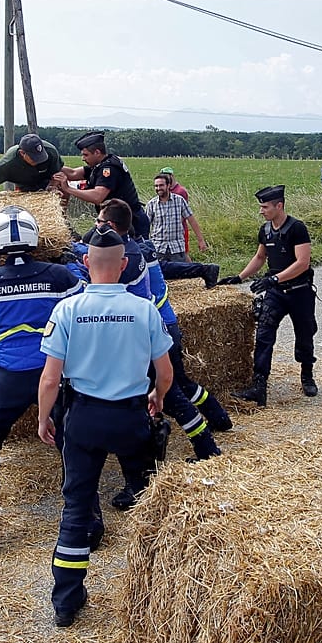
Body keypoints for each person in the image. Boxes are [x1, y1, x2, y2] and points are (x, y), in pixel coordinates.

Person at [37, 228, 173, 628]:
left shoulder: (67, 310)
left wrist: (45, 417)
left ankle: (66, 599)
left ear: (85, 264)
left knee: (77, 507)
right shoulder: (144, 309)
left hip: (84, 417)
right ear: (124, 265)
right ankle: (154, 590)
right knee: (149, 504)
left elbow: (49, 379)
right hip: (131, 416)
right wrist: (157, 397)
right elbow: (164, 372)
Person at [0, 207, 84, 547]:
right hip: (54, 370)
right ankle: (87, 519)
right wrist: (70, 263)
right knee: (70, 439)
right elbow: (84, 298)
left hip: (9, 374)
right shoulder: (58, 275)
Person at [78, 198, 225, 511]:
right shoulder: (137, 248)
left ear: (112, 226)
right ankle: (208, 442)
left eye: (102, 222)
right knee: (173, 392)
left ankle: (148, 475)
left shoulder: (127, 255)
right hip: (151, 331)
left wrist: (74, 258)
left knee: (167, 394)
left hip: (144, 336)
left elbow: (97, 268)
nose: (98, 226)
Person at [221, 185, 317, 406]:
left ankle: (307, 375)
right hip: (275, 293)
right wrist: (239, 277)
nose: (261, 211)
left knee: (305, 334)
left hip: (299, 292)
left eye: (264, 207)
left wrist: (274, 279)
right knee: (263, 335)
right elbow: (260, 258)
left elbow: (303, 263)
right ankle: (259, 385)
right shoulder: (265, 230)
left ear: (279, 206)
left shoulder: (297, 228)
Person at [53, 130, 149, 238]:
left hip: (129, 223)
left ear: (97, 152)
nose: (83, 158)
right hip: (113, 219)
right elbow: (73, 173)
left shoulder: (109, 169)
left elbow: (97, 196)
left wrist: (68, 189)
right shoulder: (98, 165)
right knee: (87, 240)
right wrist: (51, 166)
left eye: (86, 155)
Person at [146, 172, 208, 262]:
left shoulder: (179, 201)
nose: (158, 188)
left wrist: (201, 240)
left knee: (181, 275)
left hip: (177, 249)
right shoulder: (151, 204)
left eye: (161, 185)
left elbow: (192, 220)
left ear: (168, 185)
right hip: (158, 249)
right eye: (156, 186)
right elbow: (145, 226)